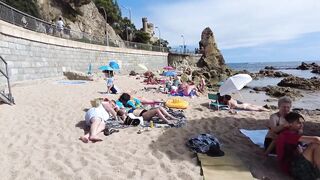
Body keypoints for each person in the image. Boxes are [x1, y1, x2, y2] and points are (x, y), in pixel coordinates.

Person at [276, 112, 320, 179]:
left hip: (293, 164)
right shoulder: (286, 135)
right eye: (299, 123)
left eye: (302, 123)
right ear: (290, 124)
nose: (302, 125)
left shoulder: (292, 132)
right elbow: (316, 139)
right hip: (292, 168)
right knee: (315, 145)